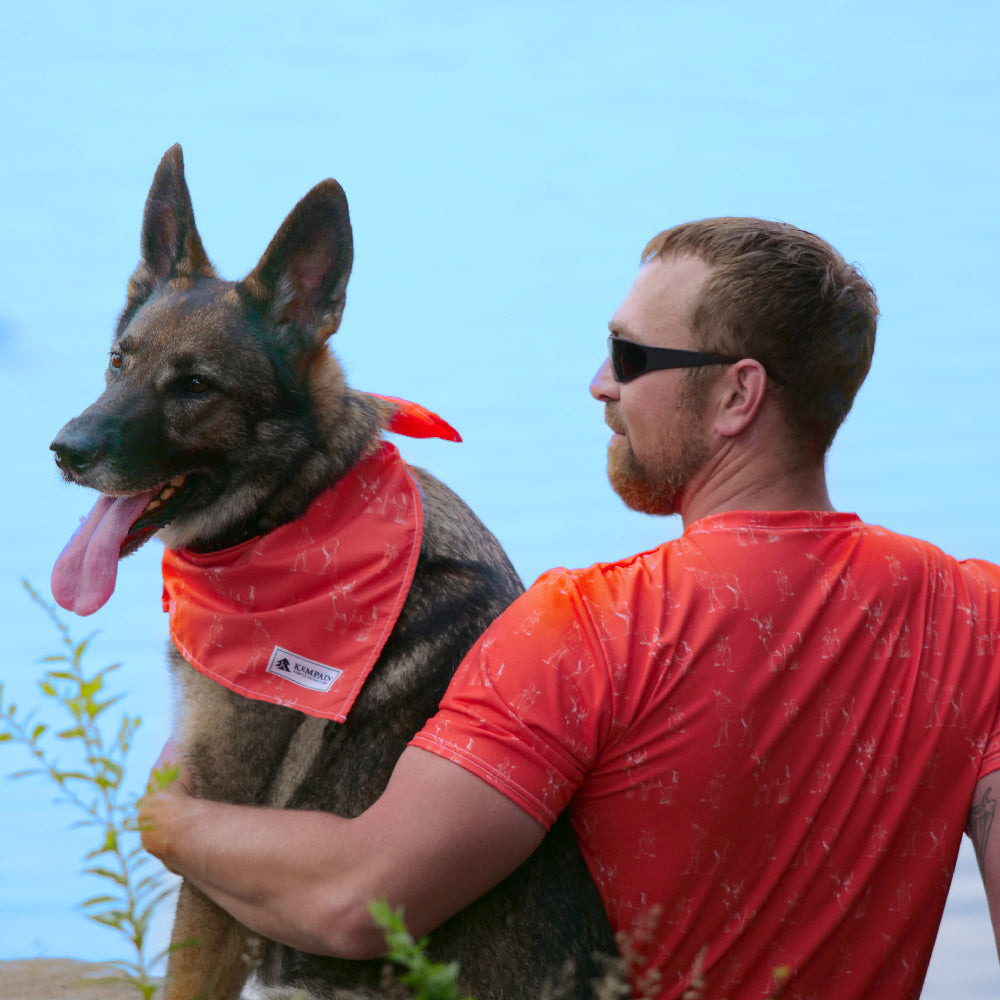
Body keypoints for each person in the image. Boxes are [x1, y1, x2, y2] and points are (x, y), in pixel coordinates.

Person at [140, 217, 1000, 999]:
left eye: (631, 358)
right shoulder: (975, 615)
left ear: (740, 396)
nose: (599, 385)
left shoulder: (592, 627)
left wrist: (175, 823)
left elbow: (359, 900)